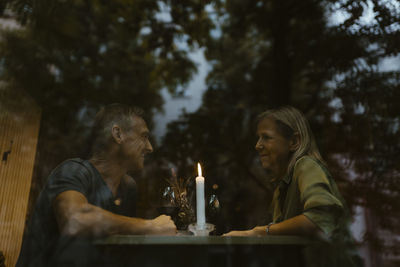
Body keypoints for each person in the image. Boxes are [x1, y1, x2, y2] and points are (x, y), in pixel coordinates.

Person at [16, 104, 176, 267]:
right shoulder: (74, 171)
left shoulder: (128, 188)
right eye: (144, 136)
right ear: (118, 134)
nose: (150, 147)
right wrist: (149, 226)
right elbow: (75, 220)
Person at [223, 106, 361, 266]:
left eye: (266, 137)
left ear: (294, 142)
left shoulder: (306, 165)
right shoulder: (283, 185)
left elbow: (319, 217)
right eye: (258, 138)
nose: (257, 145)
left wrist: (258, 232)